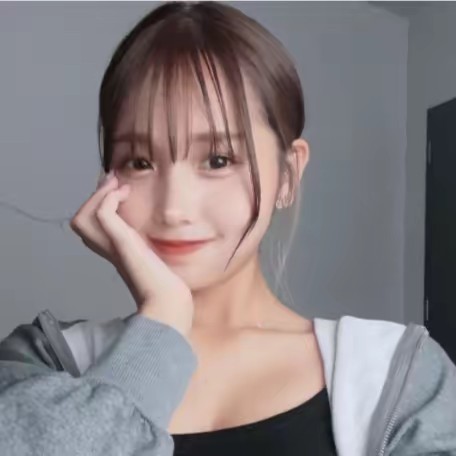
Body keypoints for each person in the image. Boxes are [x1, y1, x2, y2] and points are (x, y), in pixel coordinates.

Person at [0, 2, 455, 455]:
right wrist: (164, 319)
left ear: (288, 174)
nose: (173, 209)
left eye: (218, 160)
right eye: (139, 162)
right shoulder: (43, 359)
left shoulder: (398, 377)